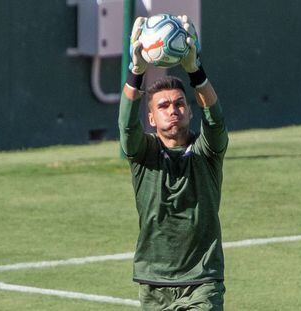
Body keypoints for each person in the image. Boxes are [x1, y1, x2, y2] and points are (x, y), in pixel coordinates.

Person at [118, 15, 228, 310]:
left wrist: (195, 71)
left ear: (190, 112)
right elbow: (127, 127)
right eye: (163, 106)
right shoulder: (144, 154)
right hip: (154, 282)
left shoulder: (206, 152)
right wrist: (136, 71)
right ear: (151, 118)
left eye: (180, 104)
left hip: (202, 280)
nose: (173, 110)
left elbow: (215, 122)